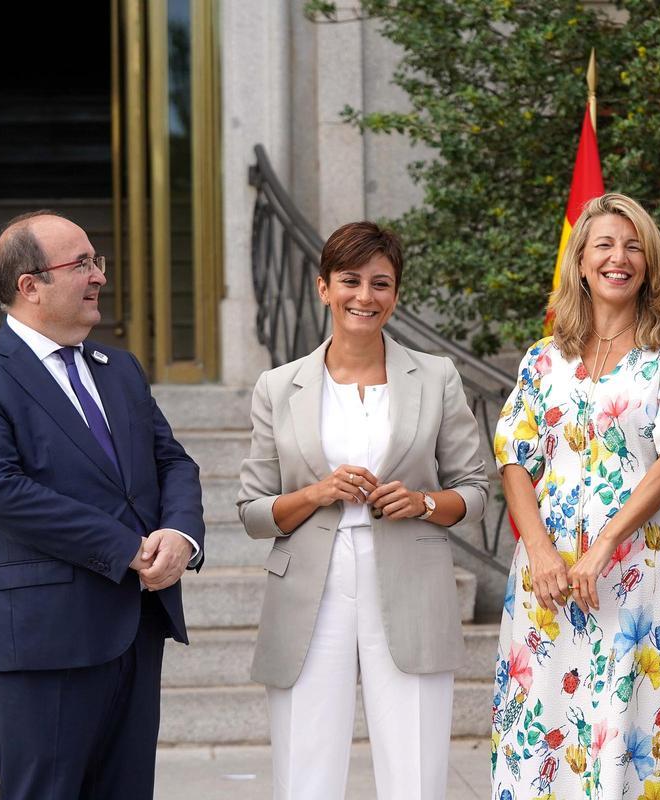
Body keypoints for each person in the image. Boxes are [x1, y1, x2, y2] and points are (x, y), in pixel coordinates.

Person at [0, 210, 205, 800]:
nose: (98, 276)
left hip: (135, 628)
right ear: (30, 286)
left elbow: (173, 463)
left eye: (96, 261)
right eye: (81, 263)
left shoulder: (122, 369)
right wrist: (128, 547)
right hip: (43, 638)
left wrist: (180, 535)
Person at [237, 221, 488, 799]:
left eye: (381, 283)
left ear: (396, 294)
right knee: (305, 770)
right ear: (324, 288)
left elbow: (474, 492)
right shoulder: (278, 387)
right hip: (308, 587)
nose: (365, 297)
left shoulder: (435, 376)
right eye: (350, 281)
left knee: (416, 772)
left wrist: (423, 502)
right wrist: (317, 493)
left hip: (411, 580)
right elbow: (253, 512)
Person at [491, 193, 660, 799]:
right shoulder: (543, 361)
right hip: (548, 578)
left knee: (627, 726)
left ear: (651, 262)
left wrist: (605, 544)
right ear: (581, 263)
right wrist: (538, 548)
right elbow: (514, 454)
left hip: (636, 572)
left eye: (634, 245)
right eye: (605, 246)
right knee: (545, 730)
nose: (620, 257)